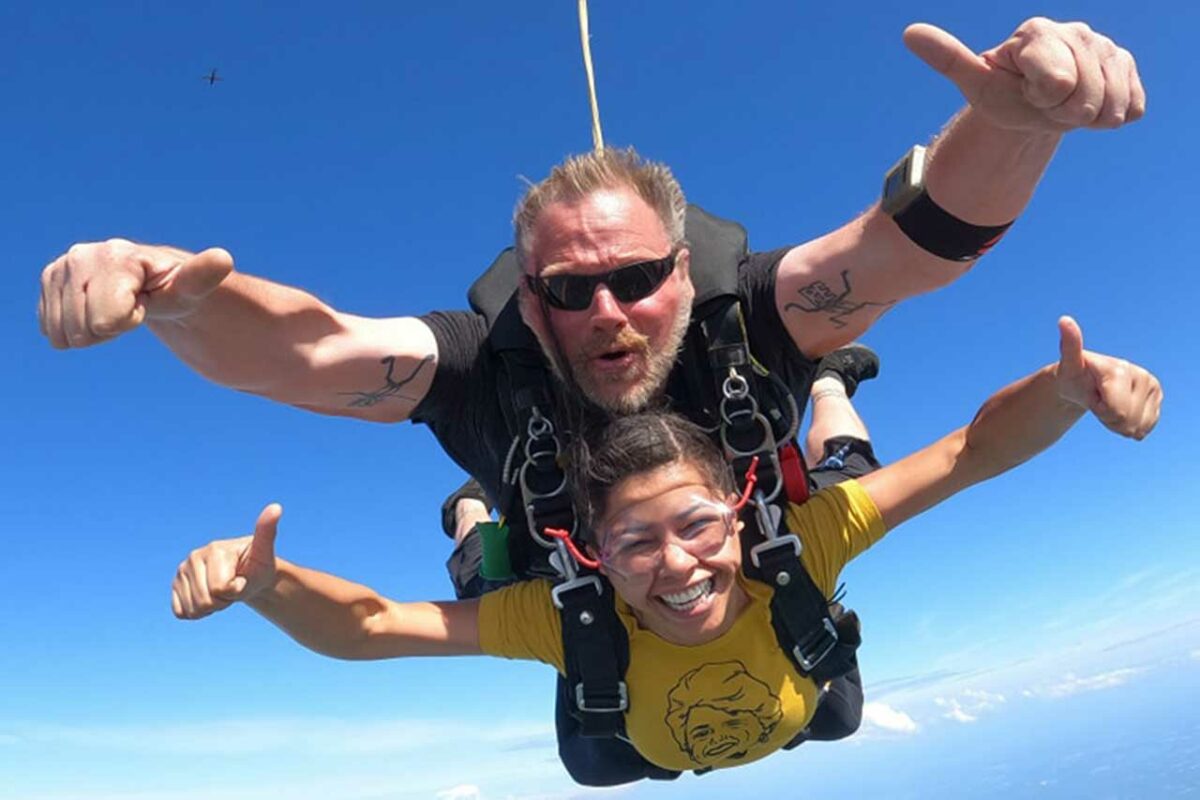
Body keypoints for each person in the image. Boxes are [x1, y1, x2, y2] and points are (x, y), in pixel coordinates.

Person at [171, 316, 1161, 783]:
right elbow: (377, 627)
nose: (678, 564)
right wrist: (270, 584)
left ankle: (825, 381)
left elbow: (969, 452)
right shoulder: (565, 611)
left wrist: (1065, 392)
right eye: (636, 541)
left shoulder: (796, 541)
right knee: (482, 556)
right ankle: (474, 510)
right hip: (628, 717)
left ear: (736, 508)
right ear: (594, 550)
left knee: (845, 465)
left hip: (783, 686)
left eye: (696, 526)